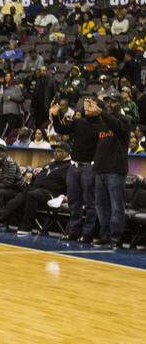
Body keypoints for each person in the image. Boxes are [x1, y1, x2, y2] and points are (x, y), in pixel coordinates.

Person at [0, 143, 71, 235]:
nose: (55, 153)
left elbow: (68, 185)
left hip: (52, 193)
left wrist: (64, 197)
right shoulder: (50, 164)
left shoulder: (69, 167)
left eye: (58, 151)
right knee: (17, 199)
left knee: (31, 194)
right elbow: (38, 177)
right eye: (55, 151)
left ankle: (26, 227)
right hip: (35, 188)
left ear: (66, 153)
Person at [52, 98, 102, 243]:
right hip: (74, 166)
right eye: (86, 105)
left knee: (89, 202)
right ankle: (74, 231)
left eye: (90, 105)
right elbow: (61, 129)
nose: (86, 107)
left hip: (89, 166)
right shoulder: (79, 122)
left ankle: (88, 233)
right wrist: (55, 116)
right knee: (74, 201)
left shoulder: (102, 126)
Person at [92, 95, 130, 248]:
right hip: (100, 169)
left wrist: (101, 113)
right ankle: (105, 235)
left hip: (116, 169)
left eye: (112, 102)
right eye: (107, 102)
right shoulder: (102, 122)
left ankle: (116, 237)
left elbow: (117, 127)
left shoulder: (125, 120)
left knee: (116, 206)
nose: (109, 104)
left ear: (119, 104)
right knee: (101, 206)